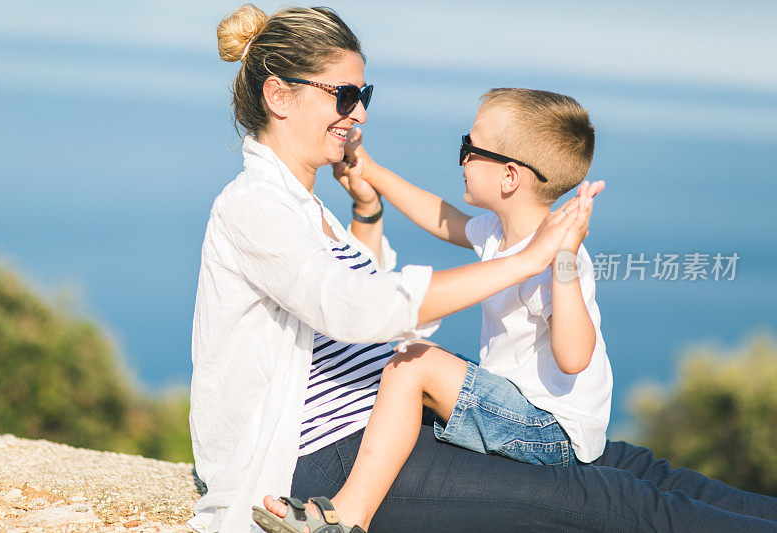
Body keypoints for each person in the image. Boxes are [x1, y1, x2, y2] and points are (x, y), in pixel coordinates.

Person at [190, 4, 777, 532]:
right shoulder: (253, 207)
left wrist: (367, 209)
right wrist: (528, 259)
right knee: (615, 503)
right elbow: (351, 307)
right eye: (345, 97)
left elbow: (360, 294)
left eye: (364, 95)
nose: (359, 114)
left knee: (642, 469)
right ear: (279, 96)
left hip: (392, 423)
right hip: (325, 454)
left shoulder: (307, 208)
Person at [253, 88, 612, 533]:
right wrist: (373, 173)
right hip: (521, 402)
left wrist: (563, 261)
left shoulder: (556, 259)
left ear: (509, 177)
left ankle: (347, 517)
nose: (461, 158)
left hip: (551, 431)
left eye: (470, 147)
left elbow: (575, 356)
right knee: (414, 358)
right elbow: (444, 219)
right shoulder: (503, 230)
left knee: (411, 366)